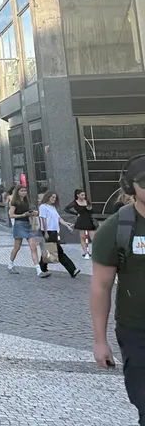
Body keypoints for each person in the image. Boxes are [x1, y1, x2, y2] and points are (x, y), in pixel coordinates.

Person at [91, 155, 145, 426]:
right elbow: (101, 287)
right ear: (130, 186)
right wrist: (100, 341)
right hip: (137, 334)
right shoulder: (116, 229)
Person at [37, 190, 79, 278]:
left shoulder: (53, 207)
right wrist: (45, 232)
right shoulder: (43, 207)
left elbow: (58, 218)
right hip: (48, 231)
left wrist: (67, 226)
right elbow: (43, 219)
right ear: (48, 197)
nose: (54, 199)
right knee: (57, 251)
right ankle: (72, 270)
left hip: (54, 231)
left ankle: (42, 268)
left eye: (55, 198)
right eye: (52, 197)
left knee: (49, 249)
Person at [7, 185, 40, 273]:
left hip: (27, 225)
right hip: (19, 225)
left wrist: (33, 213)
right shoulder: (14, 202)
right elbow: (11, 215)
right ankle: (10, 265)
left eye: (25, 191)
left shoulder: (26, 201)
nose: (24, 192)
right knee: (17, 247)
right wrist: (23, 215)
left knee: (33, 247)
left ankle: (39, 270)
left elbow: (28, 212)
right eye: (21, 191)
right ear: (17, 192)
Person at [65, 189, 96, 260]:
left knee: (93, 237)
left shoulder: (87, 201)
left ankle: (95, 252)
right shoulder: (75, 203)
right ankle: (86, 253)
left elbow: (91, 211)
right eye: (82, 195)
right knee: (83, 237)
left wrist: (89, 209)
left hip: (88, 219)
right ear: (78, 195)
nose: (84, 196)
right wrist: (76, 214)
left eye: (84, 195)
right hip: (81, 220)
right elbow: (66, 209)